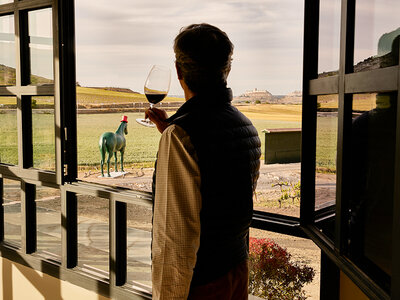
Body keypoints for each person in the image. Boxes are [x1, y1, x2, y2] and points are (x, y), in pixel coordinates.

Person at [146, 23, 261, 300]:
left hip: (200, 284)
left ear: (178, 70)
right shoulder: (246, 127)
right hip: (236, 270)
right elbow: (222, 186)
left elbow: (175, 236)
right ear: (226, 69)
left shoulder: (182, 137)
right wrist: (173, 131)